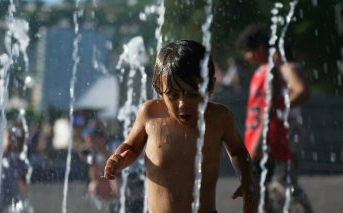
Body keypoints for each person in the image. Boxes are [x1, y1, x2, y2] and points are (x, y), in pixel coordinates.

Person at [103, 40, 257, 213]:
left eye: (192, 95)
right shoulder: (151, 113)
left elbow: (237, 151)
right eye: (173, 95)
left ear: (210, 87)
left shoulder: (218, 117)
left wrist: (246, 179)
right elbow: (131, 146)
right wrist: (119, 158)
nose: (183, 104)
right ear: (159, 89)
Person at [236, 24, 312, 212]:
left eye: (248, 52)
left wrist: (279, 106)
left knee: (279, 187)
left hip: (279, 136)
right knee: (266, 189)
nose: (246, 57)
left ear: (261, 48)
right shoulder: (262, 72)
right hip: (265, 137)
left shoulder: (279, 69)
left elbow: (302, 92)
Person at [81, 125, 120, 213]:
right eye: (88, 142)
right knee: (93, 186)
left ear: (101, 140)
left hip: (122, 180)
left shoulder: (114, 148)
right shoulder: (92, 155)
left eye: (91, 141)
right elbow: (94, 177)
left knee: (115, 184)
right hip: (107, 183)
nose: (89, 145)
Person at [0, 123, 31, 213]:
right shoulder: (2, 159)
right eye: (9, 139)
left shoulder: (19, 160)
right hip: (3, 196)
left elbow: (23, 183)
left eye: (14, 140)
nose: (11, 143)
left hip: (14, 197)